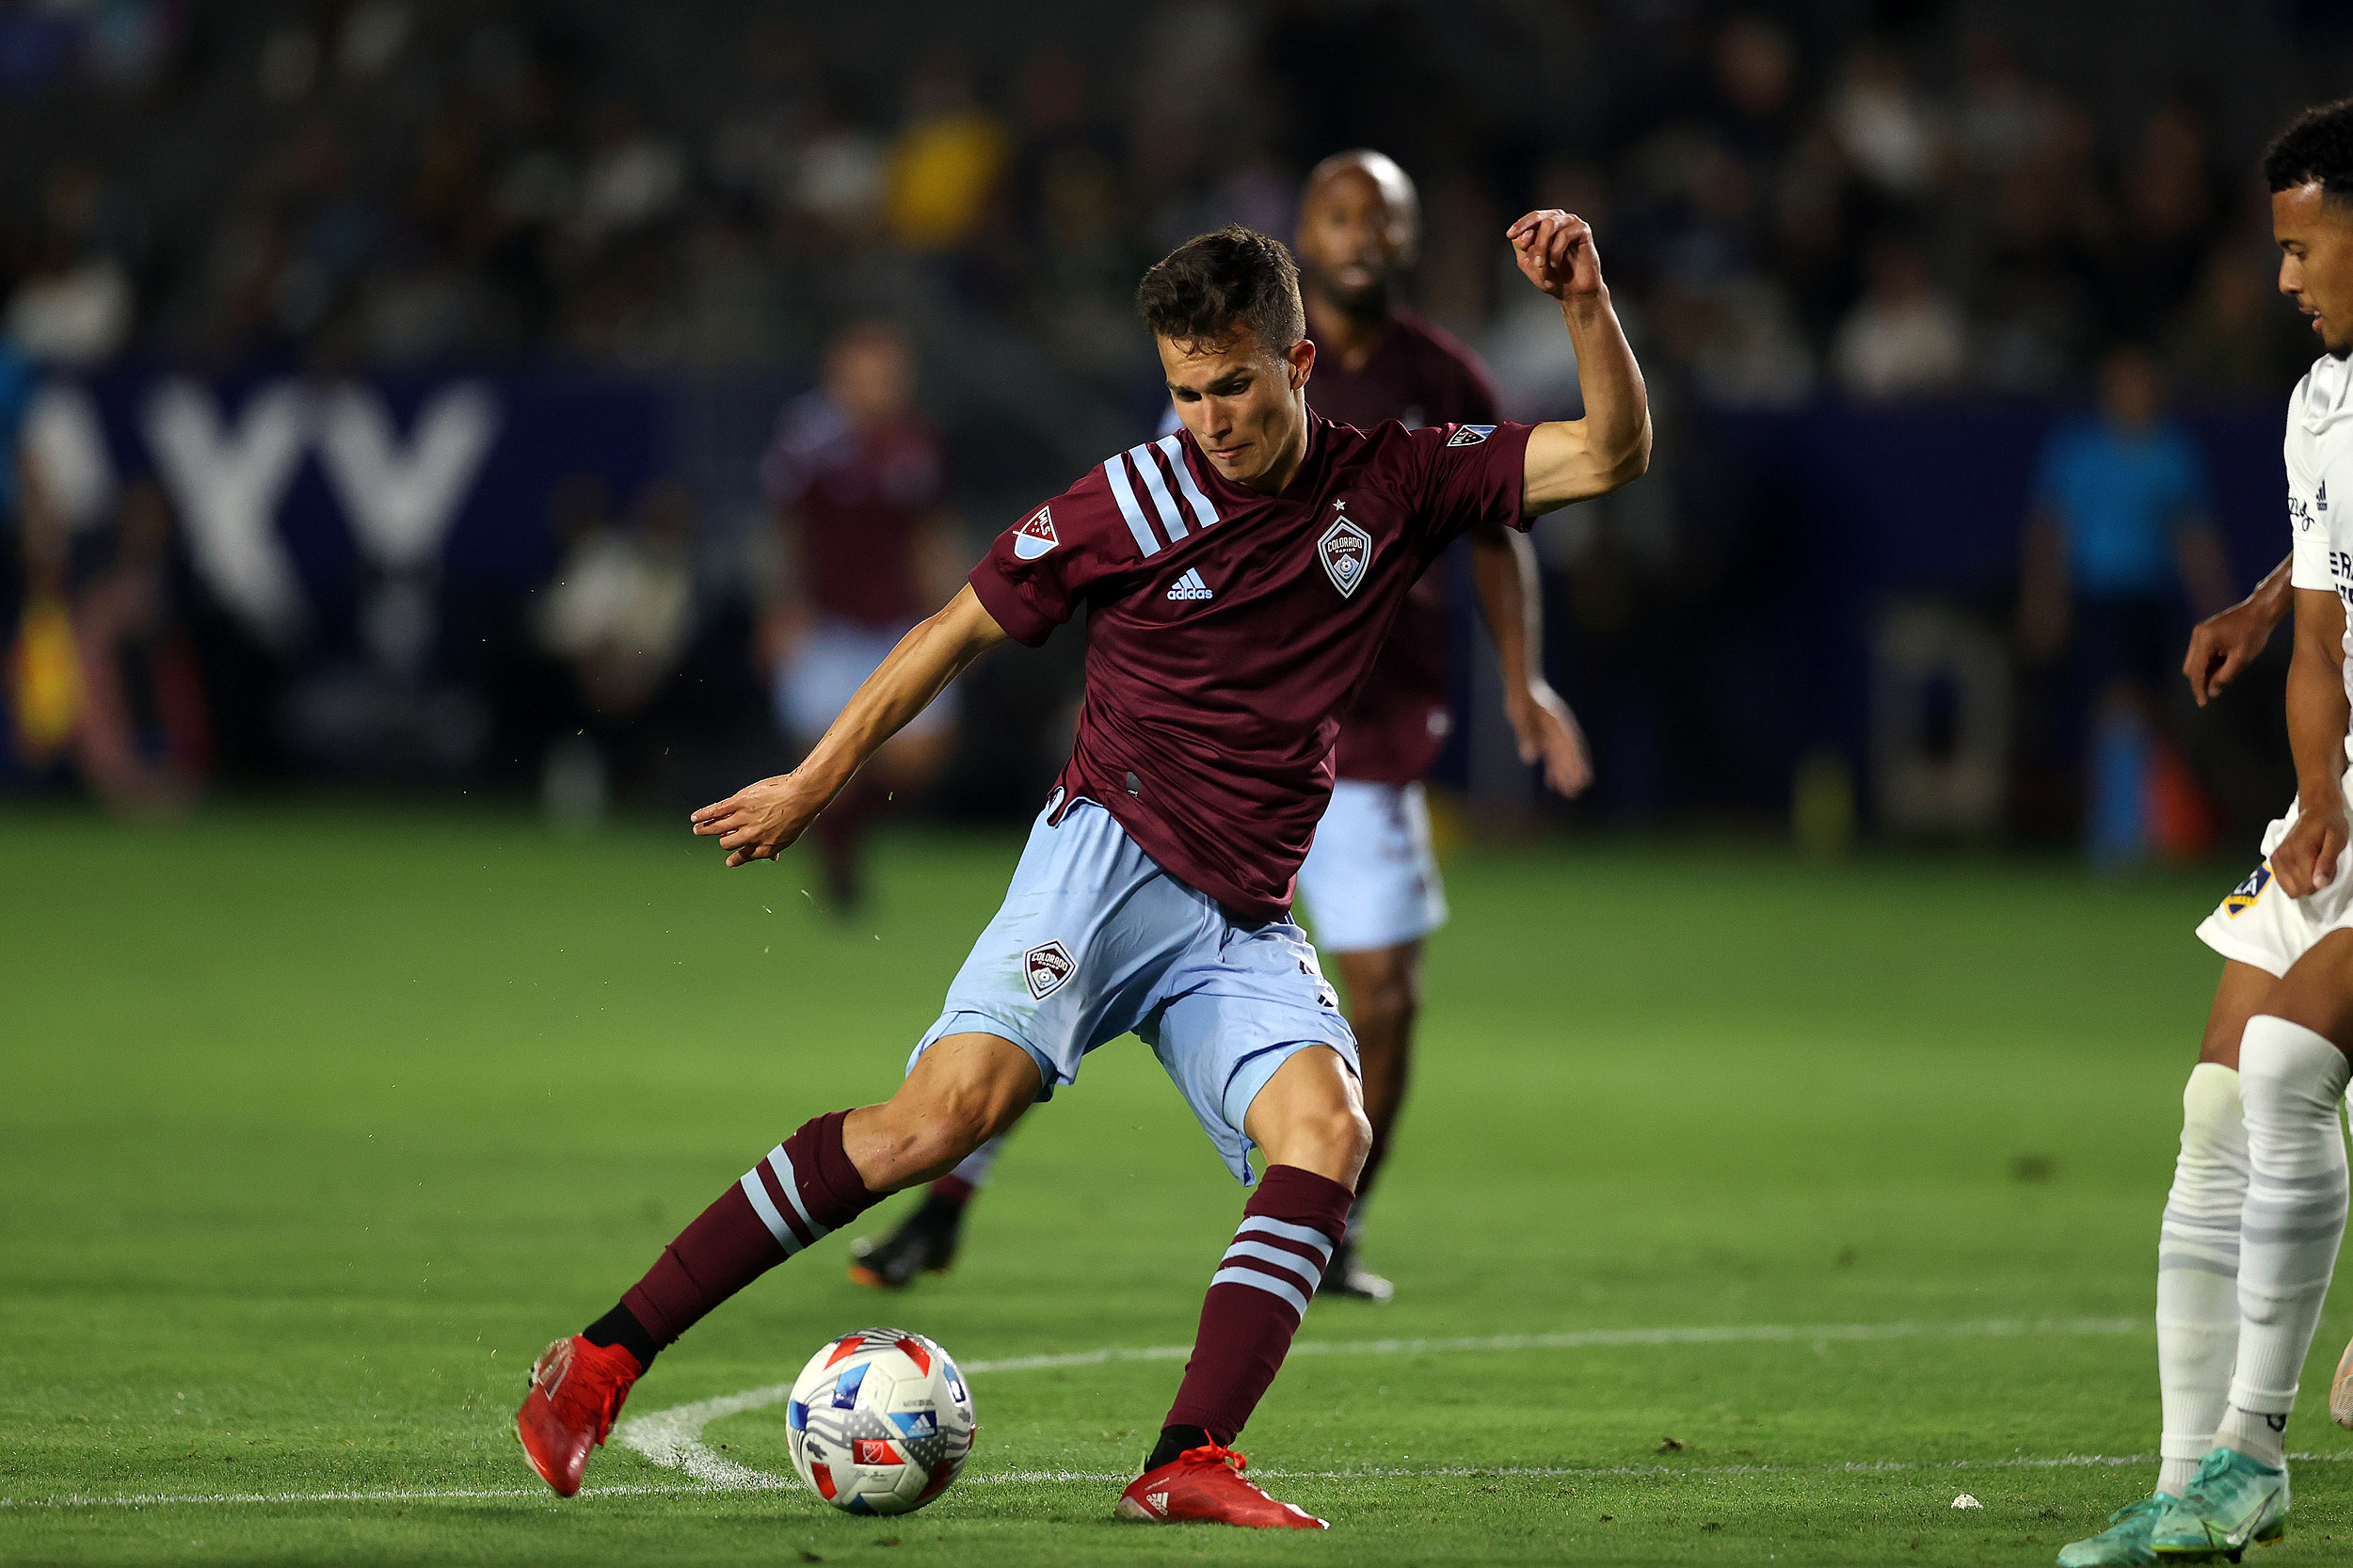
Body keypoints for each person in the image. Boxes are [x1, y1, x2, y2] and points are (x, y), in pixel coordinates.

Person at [516, 211, 1650, 1528]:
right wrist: (814, 780)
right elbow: (951, 634)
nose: (1210, 416)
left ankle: (1188, 1459)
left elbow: (1613, 452)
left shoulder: (1397, 478)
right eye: (1184, 389)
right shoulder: (1130, 498)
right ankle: (598, 1360)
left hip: (1239, 911)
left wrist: (1584, 300)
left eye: (1233, 384)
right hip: (1104, 861)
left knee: (1326, 1134)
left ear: (1297, 361)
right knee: (933, 1123)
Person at [845, 149, 1592, 1302]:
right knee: (1046, 989)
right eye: (1335, 216)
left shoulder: (1438, 379)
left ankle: (1327, 1224)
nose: (1357, 237)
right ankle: (947, 1197)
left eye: (1378, 219)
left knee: (1382, 993)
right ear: (1305, 235)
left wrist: (1521, 678)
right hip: (1193, 751)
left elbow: (1505, 522)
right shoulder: (1213, 379)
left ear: (1400, 240)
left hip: (1366, 731)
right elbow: (1151, 517)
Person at [2060, 101, 2353, 1567]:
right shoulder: (2321, 398)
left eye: (2306, 246)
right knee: (2218, 1106)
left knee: (2296, 1064)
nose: (2285, 278)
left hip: (2347, 792)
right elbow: (2331, 570)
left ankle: (2255, 1451)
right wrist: (2263, 594)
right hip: (2338, 792)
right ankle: (2189, 1478)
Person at [760, 320, 965, 907]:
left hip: (899, 623)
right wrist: (780, 608)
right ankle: (839, 864)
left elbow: (932, 534)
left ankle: (844, 831)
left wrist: (956, 615)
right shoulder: (806, 438)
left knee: (918, 758)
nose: (879, 384)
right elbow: (783, 530)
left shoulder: (920, 441)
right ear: (838, 373)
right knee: (821, 750)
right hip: (826, 623)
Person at [2018, 343, 2232, 865]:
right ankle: (2115, 833)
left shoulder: (2171, 451)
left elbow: (2192, 535)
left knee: (2150, 707)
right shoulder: (2079, 448)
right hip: (2097, 598)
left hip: (2151, 598)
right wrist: (2044, 601)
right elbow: (2050, 532)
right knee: (2114, 705)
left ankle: (2137, 825)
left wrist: (2224, 607)